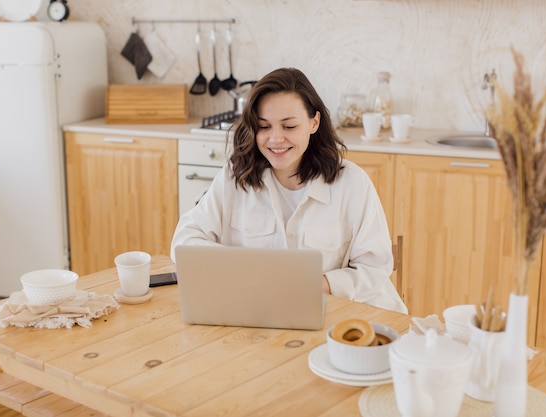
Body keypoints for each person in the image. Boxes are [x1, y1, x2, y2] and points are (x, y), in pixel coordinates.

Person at [171, 67, 407, 313]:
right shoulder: (235, 176)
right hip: (256, 314)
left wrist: (321, 285)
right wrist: (240, 270)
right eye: (264, 126)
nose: (275, 139)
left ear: (314, 122)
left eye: (289, 127)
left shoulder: (352, 183)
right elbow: (185, 242)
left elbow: (374, 268)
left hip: (335, 314)